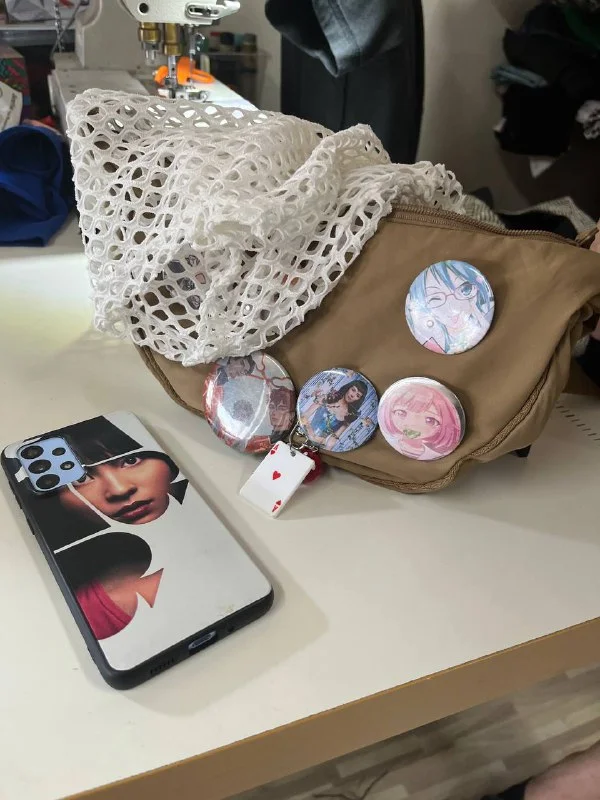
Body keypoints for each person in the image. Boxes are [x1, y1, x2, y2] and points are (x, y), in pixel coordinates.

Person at [406, 261, 494, 354]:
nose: (453, 307)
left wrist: (478, 314)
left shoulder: (487, 311)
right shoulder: (431, 340)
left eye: (464, 289)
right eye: (435, 299)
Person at [379, 382, 462, 460]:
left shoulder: (434, 454)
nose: (412, 423)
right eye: (401, 413)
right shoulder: (388, 444)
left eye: (430, 420)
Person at [303, 379, 369, 450]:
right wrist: (308, 429)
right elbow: (306, 415)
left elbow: (334, 438)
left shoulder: (349, 416)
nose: (353, 395)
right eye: (353, 390)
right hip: (304, 434)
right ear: (348, 388)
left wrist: (327, 450)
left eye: (357, 395)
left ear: (358, 399)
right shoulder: (328, 397)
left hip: (319, 446)